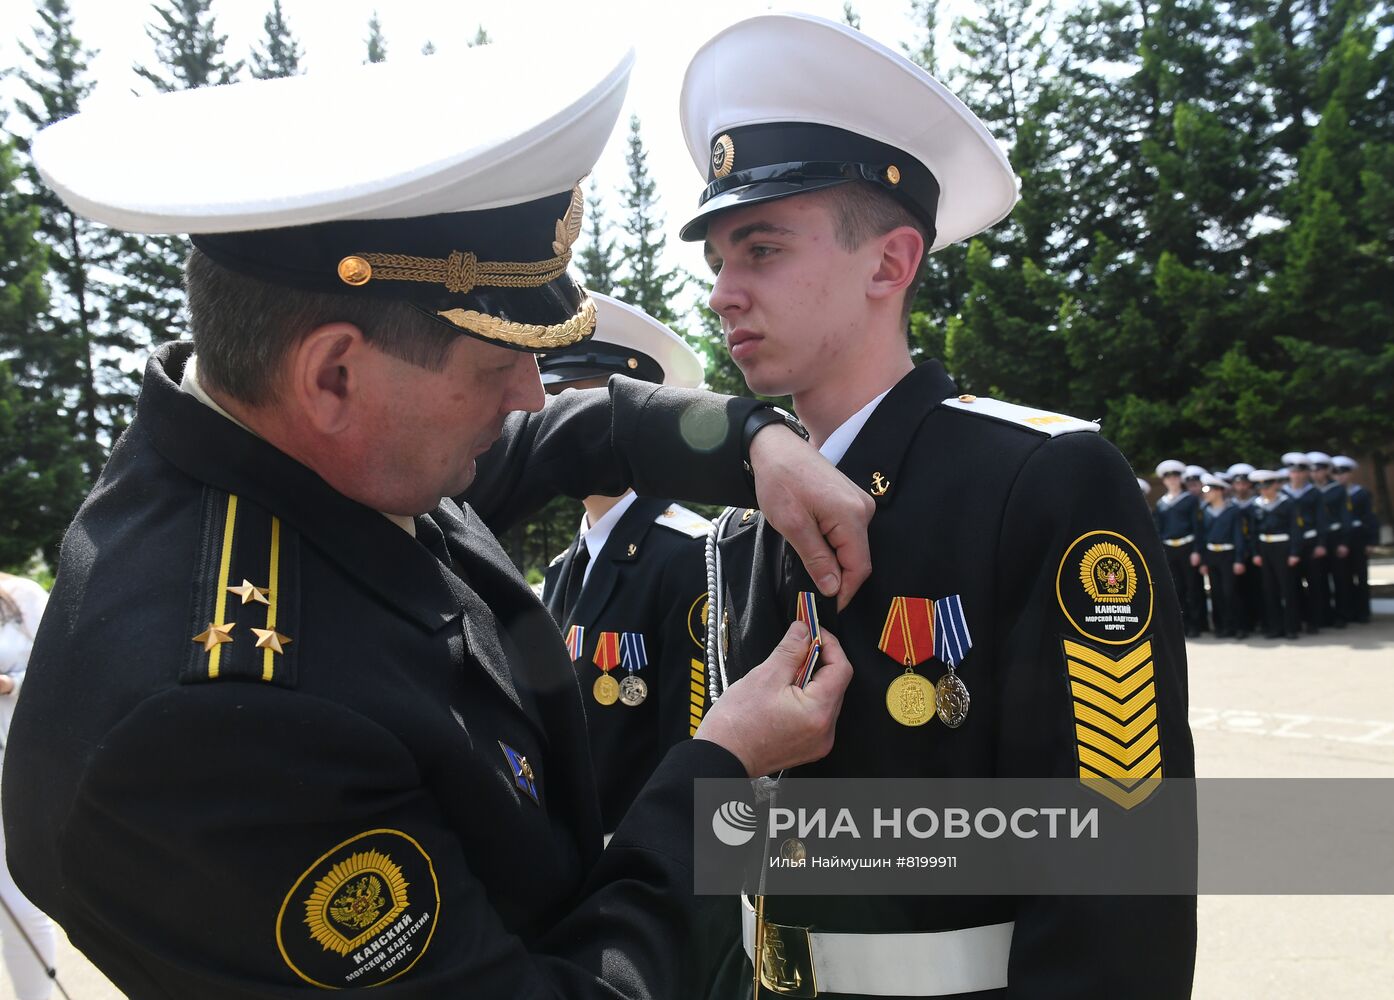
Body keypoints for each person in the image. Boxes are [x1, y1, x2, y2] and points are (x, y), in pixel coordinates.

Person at [4, 43, 872, 999]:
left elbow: (573, 434)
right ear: (333, 374)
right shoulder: (226, 725)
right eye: (494, 363)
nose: (532, 394)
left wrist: (749, 439)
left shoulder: (289, 446)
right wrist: (723, 772)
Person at [679, 13, 1195, 998]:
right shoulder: (743, 527)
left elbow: (1117, 881)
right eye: (716, 262)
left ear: (888, 263)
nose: (722, 293)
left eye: (760, 249)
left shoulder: (1038, 481)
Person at [538, 293, 714, 834]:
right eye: (551, 404)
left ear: (643, 420)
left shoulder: (689, 555)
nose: (558, 425)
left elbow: (696, 764)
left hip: (643, 870)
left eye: (582, 407)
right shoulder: (565, 566)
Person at [0, 574, 57, 1000]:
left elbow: (59, 674)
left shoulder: (23, 596)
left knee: (19, 902)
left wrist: (8, 684)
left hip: (13, 765)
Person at [1250, 470, 1302, 639]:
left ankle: (1291, 627)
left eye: (1267, 486)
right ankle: (1275, 627)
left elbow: (1295, 529)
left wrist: (1294, 552)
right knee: (1269, 589)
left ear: (1275, 485)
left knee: (1287, 589)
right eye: (1261, 487)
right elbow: (1253, 531)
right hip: (1265, 548)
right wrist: (1255, 552)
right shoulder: (1256, 504)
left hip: (1283, 547)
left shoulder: (1287, 503)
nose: (1264, 490)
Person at [1154, 459, 1203, 637]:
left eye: (1175, 476)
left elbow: (1197, 526)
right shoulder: (1161, 503)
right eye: (1169, 477)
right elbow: (1159, 530)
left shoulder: (1190, 500)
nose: (1172, 480)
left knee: (1193, 588)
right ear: (1164, 480)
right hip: (1170, 548)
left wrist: (1197, 550)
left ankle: (1196, 625)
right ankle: (1183, 625)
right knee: (1177, 590)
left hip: (1187, 546)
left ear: (1180, 478)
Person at [1281, 450, 1328, 633]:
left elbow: (1321, 520)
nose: (1297, 475)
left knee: (1314, 584)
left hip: (1310, 542)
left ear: (1307, 473)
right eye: (1293, 471)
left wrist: (1321, 544)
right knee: (1292, 585)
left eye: (1301, 471)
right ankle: (1297, 620)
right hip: (1290, 545)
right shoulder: (1283, 494)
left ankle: (1314, 622)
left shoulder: (1314, 493)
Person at [1197, 474, 1249, 638]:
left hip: (1228, 554)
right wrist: (1204, 560)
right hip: (1212, 555)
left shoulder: (1233, 510)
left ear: (1219, 491)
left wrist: (1239, 559)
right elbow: (1203, 537)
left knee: (1231, 592)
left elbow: (1239, 536)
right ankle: (1223, 627)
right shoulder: (1205, 511)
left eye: (1209, 490)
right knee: (1217, 593)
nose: (1206, 494)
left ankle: (1240, 627)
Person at [1308, 451, 1351, 628]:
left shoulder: (1338, 489)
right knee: (1318, 579)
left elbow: (1345, 516)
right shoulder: (1308, 491)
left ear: (1326, 470)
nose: (1316, 474)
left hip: (1334, 536)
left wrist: (1344, 542)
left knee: (1340, 578)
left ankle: (1342, 615)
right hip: (1316, 539)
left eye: (1319, 470)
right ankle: (1323, 615)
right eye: (1313, 470)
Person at [1333, 456, 1377, 624]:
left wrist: (1372, 541)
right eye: (1336, 473)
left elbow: (1371, 518)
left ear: (1350, 474)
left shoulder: (1361, 493)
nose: (1340, 477)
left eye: (1343, 473)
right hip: (1341, 539)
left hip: (1359, 538)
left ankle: (1363, 612)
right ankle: (1346, 611)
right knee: (1343, 577)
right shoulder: (1334, 493)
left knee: (1361, 576)